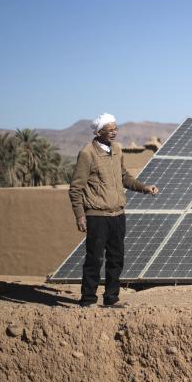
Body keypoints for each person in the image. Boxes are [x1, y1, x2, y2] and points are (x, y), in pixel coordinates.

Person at [69, 113, 159, 308]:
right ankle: (88, 300)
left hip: (118, 215)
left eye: (115, 129)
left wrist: (143, 188)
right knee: (94, 259)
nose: (114, 133)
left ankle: (111, 298)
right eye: (110, 130)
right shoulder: (87, 154)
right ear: (98, 132)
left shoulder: (117, 150)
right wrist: (80, 215)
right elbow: (76, 188)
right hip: (97, 215)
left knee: (116, 259)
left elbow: (124, 177)